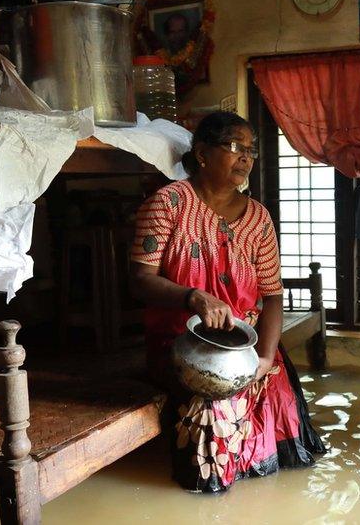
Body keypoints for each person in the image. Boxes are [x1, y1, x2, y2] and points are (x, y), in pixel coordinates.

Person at [129, 112, 326, 492]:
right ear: (202, 154)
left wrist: (266, 358)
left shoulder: (259, 219)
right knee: (211, 415)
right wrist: (192, 297)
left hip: (247, 345)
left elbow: (272, 297)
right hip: (182, 344)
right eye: (236, 147)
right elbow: (139, 281)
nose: (246, 158)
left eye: (251, 151)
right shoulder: (168, 204)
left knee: (277, 403)